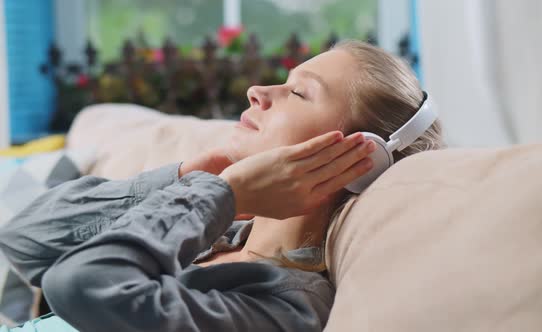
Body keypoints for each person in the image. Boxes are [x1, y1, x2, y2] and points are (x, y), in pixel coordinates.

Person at [0, 40, 444, 332]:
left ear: (356, 160)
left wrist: (219, 196)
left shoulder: (285, 310)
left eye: (300, 93)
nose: (257, 90)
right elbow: (24, 239)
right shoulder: (213, 233)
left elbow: (79, 283)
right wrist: (187, 180)